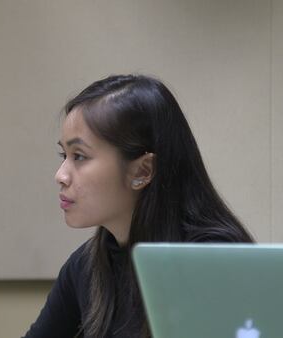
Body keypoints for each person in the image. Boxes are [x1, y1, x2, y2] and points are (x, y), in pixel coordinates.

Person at [24, 74, 253, 338]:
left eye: (80, 156)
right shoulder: (85, 265)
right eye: (64, 155)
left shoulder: (215, 263)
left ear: (143, 171)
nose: (60, 175)